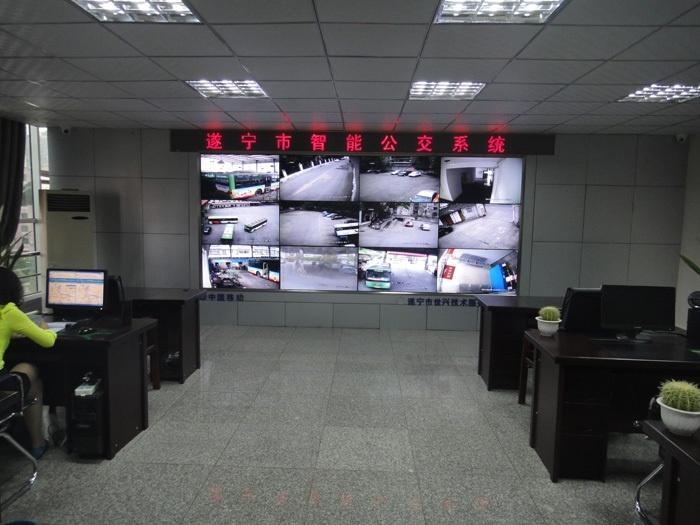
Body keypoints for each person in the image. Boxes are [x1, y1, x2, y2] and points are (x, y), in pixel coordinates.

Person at [0, 266, 57, 459]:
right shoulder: (8, 312)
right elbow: (47, 341)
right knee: (34, 379)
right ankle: (37, 444)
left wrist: (8, 334)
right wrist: (46, 328)